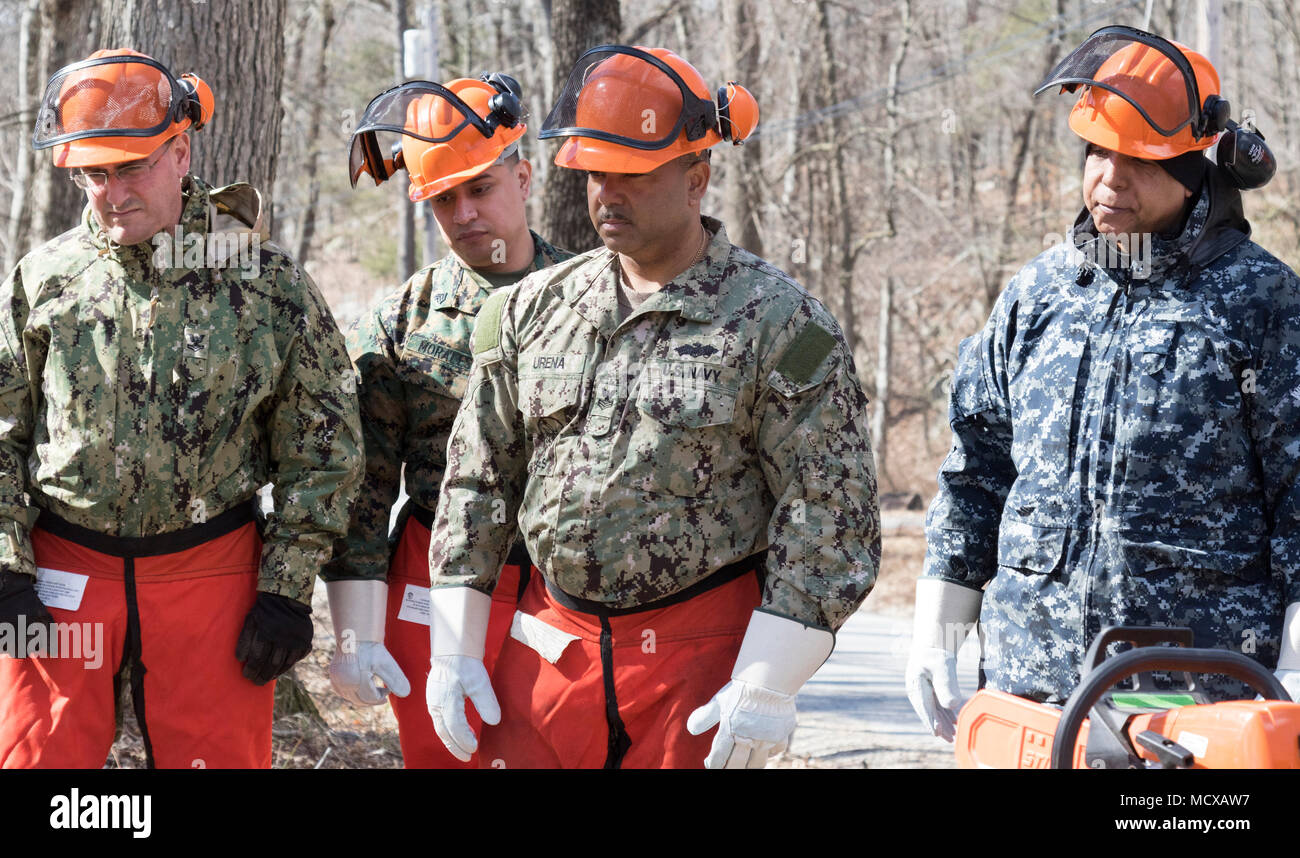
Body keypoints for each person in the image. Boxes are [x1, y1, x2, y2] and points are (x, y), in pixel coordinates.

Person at [422, 45, 881, 769]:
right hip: (551, 656)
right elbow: (476, 481)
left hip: (700, 666)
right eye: (596, 174)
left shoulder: (781, 324)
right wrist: (452, 647)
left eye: (632, 176)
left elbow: (829, 513)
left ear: (696, 178)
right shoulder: (532, 311)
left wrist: (768, 680)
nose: (607, 194)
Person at [908, 25, 1300, 742]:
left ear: (1192, 171)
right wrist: (938, 622)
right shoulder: (1038, 295)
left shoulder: (1262, 301)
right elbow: (977, 468)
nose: (1109, 181)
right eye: (1097, 153)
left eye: (1137, 162)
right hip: (1031, 689)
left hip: (1193, 698)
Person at [0, 49, 362, 768]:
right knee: (37, 759)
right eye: (93, 174)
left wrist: (287, 590)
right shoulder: (44, 280)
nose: (110, 194)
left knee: (217, 759)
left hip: (210, 575)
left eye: (129, 169)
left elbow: (324, 449)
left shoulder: (263, 283)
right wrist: (5, 569)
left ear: (181, 152)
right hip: (60, 573)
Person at [324, 75, 571, 768]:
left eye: (481, 188)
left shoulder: (587, 298)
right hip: (429, 578)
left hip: (555, 582)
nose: (464, 213)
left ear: (522, 177)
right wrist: (354, 635)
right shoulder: (401, 320)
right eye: (443, 198)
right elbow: (365, 488)